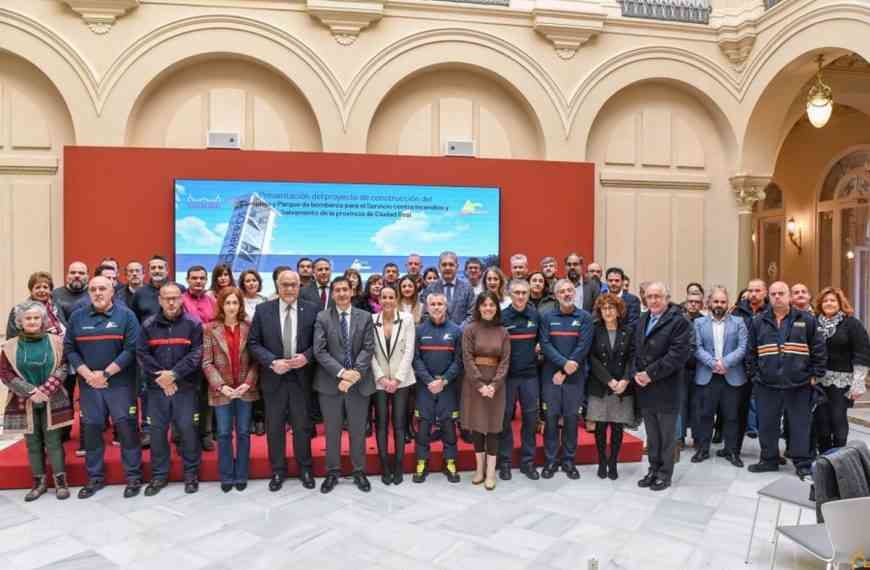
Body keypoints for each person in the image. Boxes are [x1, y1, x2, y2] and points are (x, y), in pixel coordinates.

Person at [65, 276, 143, 498]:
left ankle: (133, 477)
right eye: (93, 289)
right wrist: (88, 375)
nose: (98, 293)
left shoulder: (127, 316)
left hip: (120, 385)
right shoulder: (77, 317)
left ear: (112, 292)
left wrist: (106, 373)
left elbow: (132, 349)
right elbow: (70, 349)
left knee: (127, 431)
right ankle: (95, 478)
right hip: (90, 386)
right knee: (91, 432)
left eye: (102, 288)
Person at [746, 281, 826, 479]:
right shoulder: (758, 321)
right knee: (767, 424)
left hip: (800, 384)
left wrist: (814, 375)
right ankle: (769, 459)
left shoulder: (806, 320)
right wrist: (755, 375)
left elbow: (819, 349)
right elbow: (750, 352)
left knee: (800, 425)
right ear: (768, 297)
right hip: (767, 384)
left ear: (789, 296)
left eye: (781, 293)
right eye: (773, 294)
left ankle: (802, 463)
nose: (777, 297)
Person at [249, 269, 318, 491]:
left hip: (301, 378)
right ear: (277, 286)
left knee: (302, 426)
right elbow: (253, 343)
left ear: (299, 286)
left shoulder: (312, 310)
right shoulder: (263, 310)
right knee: (275, 427)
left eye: (293, 285)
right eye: (285, 284)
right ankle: (278, 470)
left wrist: (306, 357)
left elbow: (319, 343)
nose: (289, 289)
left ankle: (305, 468)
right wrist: (271, 362)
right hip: (274, 378)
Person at [1, 301, 74, 501]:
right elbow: (5, 373)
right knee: (32, 443)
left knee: (54, 441)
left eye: (36, 318)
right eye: (28, 318)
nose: (32, 321)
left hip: (53, 398)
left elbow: (64, 367)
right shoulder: (9, 346)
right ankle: (39, 483)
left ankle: (61, 483)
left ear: (43, 320)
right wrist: (31, 391)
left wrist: (45, 390)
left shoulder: (57, 342)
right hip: (23, 400)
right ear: (20, 322)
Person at [137, 282, 204, 495]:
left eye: (175, 298)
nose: (171, 302)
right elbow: (142, 354)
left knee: (188, 431)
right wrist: (163, 378)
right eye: (167, 298)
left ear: (181, 299)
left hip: (185, 388)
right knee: (157, 433)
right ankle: (159, 475)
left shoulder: (194, 324)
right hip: (157, 389)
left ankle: (191, 474)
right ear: (160, 300)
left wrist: (173, 375)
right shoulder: (148, 325)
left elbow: (196, 355)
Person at [314, 276, 376, 493]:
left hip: (359, 383)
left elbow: (368, 348)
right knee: (332, 431)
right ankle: (332, 471)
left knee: (358, 430)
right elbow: (319, 350)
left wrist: (355, 373)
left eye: (345, 289)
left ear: (352, 292)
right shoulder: (322, 317)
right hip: (330, 384)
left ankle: (359, 471)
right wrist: (342, 373)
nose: (341, 293)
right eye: (337, 290)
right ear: (332, 294)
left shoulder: (365, 317)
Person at [634, 282, 691, 492]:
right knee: (652, 434)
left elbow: (677, 356)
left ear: (667, 298)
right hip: (645, 388)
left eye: (658, 296)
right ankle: (653, 469)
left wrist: (649, 374)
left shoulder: (679, 322)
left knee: (667, 436)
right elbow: (635, 350)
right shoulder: (642, 319)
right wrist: (636, 373)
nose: (654, 300)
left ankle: (664, 474)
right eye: (650, 297)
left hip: (666, 387)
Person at [202, 287, 259, 492]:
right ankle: (226, 476)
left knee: (243, 433)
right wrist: (221, 386)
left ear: (240, 305)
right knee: (224, 433)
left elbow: (256, 361)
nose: (232, 307)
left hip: (245, 389)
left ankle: (241, 474)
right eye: (228, 303)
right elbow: (207, 362)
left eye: (235, 303)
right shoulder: (210, 329)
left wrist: (248, 383)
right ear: (221, 305)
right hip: (222, 390)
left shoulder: (249, 327)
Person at [539, 279, 593, 480]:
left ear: (575, 293)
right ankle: (551, 460)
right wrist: (563, 364)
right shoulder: (547, 317)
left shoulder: (585, 317)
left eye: (570, 290)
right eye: (562, 291)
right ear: (556, 295)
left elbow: (583, 345)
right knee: (551, 419)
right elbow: (545, 344)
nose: (567, 294)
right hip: (550, 377)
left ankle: (569, 461)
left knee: (571, 419)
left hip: (575, 377)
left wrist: (566, 369)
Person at [692, 286, 748, 467]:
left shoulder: (739, 322)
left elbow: (743, 347)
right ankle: (703, 449)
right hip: (707, 375)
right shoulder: (698, 323)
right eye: (716, 301)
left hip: (732, 376)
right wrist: (713, 363)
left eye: (723, 301)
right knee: (705, 415)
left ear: (728, 303)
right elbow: (696, 347)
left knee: (732, 416)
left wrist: (725, 363)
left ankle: (732, 451)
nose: (719, 304)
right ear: (709, 302)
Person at [461, 291, 511, 490]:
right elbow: (467, 358)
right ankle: (479, 469)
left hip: (496, 386)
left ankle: (490, 472)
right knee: (477, 426)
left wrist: (494, 385)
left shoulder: (503, 332)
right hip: (474, 385)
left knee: (493, 427)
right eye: (484, 305)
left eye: (492, 305)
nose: (488, 308)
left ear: (497, 308)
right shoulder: (470, 329)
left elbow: (505, 362)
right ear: (478, 308)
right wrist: (480, 384)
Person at [412, 293, 462, 483]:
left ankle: (450, 463)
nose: (436, 307)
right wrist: (429, 381)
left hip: (447, 387)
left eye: (440, 303)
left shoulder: (456, 331)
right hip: (425, 387)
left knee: (449, 426)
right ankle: (421, 463)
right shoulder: (419, 330)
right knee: (423, 427)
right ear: (427, 307)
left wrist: (444, 380)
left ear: (446, 306)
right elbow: (415, 359)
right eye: (432, 304)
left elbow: (459, 361)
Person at [812, 287, 869, 453]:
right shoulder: (814, 322)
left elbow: (862, 352)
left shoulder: (852, 324)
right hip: (817, 380)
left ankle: (839, 456)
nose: (829, 303)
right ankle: (824, 455)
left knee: (838, 418)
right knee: (821, 419)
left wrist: (858, 382)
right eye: (825, 301)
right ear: (820, 304)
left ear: (840, 303)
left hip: (842, 381)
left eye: (833, 300)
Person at [371, 285, 416, 485]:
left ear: (396, 299)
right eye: (384, 297)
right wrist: (381, 378)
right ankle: (385, 466)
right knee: (381, 424)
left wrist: (397, 379)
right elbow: (369, 352)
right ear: (379, 300)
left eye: (391, 297)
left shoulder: (407, 319)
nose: (387, 300)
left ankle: (398, 465)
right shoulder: (371, 320)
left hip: (402, 380)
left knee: (399, 424)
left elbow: (409, 351)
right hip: (379, 381)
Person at [588, 293, 635, 480]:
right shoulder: (594, 329)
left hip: (622, 387)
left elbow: (633, 358)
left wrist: (625, 380)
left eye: (611, 308)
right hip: (600, 384)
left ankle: (613, 462)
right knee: (600, 426)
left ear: (618, 310)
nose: (607, 311)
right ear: (600, 311)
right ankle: (602, 461)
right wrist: (609, 380)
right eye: (604, 308)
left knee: (617, 427)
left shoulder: (628, 331)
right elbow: (591, 358)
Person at [497, 280, 541, 480]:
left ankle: (528, 462)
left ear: (529, 294)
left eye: (524, 292)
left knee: (530, 420)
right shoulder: (502, 317)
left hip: (530, 376)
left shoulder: (535, 315)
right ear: (510, 294)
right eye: (517, 292)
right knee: (505, 419)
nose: (521, 296)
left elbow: (542, 341)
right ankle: (505, 462)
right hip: (507, 377)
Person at [181, 265, 217, 452]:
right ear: (187, 280)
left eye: (202, 278)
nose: (198, 281)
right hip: (186, 356)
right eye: (194, 278)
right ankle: (182, 437)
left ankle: (205, 434)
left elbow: (217, 324)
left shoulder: (212, 300)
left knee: (205, 398)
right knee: (185, 399)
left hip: (208, 355)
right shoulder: (180, 300)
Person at [732, 279, 769, 447]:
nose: (753, 294)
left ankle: (768, 451)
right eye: (751, 290)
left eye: (757, 290)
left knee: (766, 410)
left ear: (765, 292)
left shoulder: (770, 312)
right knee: (738, 409)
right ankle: (734, 449)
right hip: (739, 366)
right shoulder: (736, 311)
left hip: (763, 366)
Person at [239, 269, 268, 436]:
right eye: (247, 280)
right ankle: (247, 419)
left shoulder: (265, 300)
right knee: (246, 381)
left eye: (254, 280)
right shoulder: (238, 300)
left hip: (262, 346)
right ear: (243, 284)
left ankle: (259, 419)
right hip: (242, 346)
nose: (251, 283)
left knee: (260, 383)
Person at [6, 272, 67, 341]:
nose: (42, 290)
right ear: (31, 291)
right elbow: (11, 339)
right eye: (38, 287)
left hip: (60, 344)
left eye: (45, 287)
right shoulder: (19, 310)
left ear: (50, 290)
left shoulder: (55, 307)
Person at [421, 251, 476, 325]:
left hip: (461, 331)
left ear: (457, 267)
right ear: (439, 267)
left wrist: (457, 330)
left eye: (451, 264)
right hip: (436, 331)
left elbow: (471, 314)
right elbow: (425, 314)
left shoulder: (467, 288)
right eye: (444, 265)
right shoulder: (430, 288)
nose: (447, 268)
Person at [131, 255, 171, 323]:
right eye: (153, 268)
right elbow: (135, 320)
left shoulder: (179, 289)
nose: (157, 271)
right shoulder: (139, 293)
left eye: (160, 267)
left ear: (167, 271)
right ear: (149, 272)